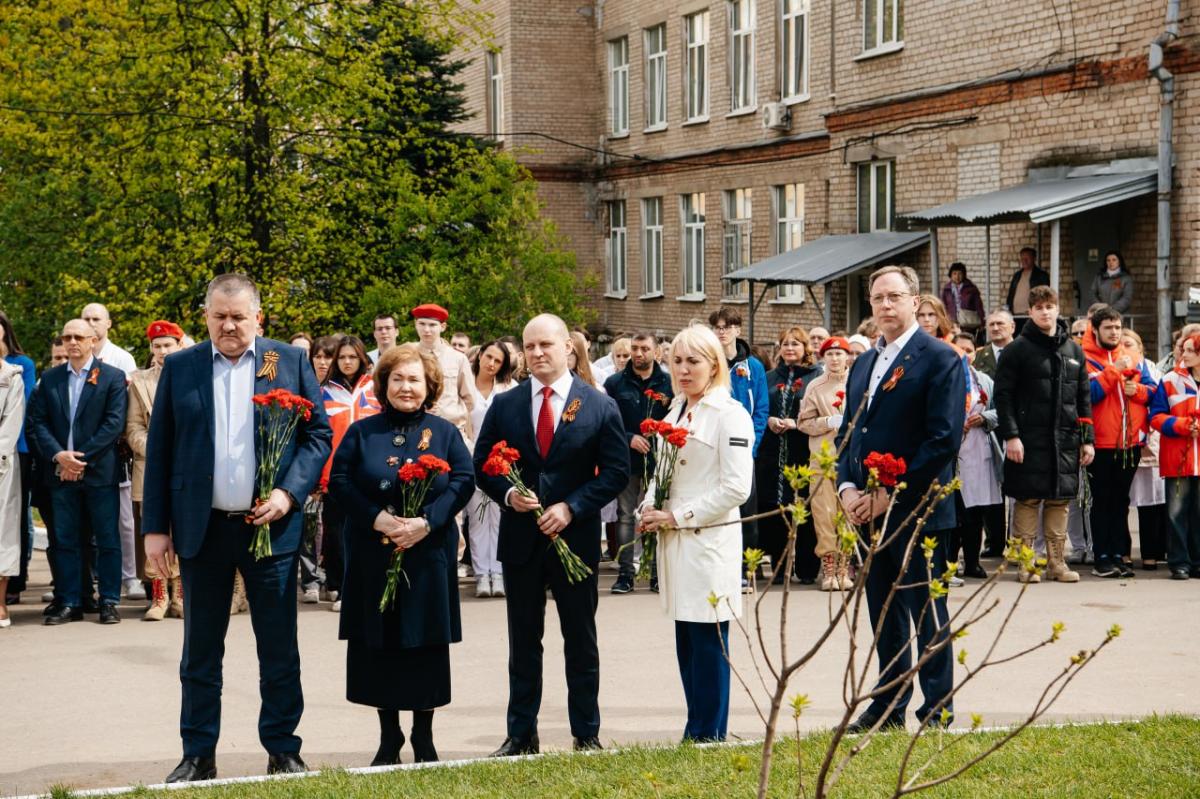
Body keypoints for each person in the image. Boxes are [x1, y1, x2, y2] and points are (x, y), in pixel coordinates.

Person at [141, 274, 331, 782]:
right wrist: (155, 526)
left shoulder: (286, 362)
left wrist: (288, 492)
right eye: (219, 316)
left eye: (238, 317)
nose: (228, 326)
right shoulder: (181, 366)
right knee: (200, 651)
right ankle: (198, 754)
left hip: (270, 528)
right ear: (205, 317)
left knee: (278, 647)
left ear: (257, 318)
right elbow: (160, 448)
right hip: (202, 529)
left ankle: (283, 749)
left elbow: (317, 434)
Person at [472, 314, 629, 757]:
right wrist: (508, 495)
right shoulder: (506, 404)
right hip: (521, 541)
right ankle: (521, 734)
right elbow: (482, 463)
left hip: (574, 539)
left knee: (580, 640)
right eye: (530, 346)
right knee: (523, 642)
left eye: (546, 344)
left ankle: (586, 732)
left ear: (568, 348)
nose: (537, 353)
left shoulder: (597, 405)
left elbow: (616, 471)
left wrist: (572, 506)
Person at [330, 343, 474, 765]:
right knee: (381, 644)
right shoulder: (362, 432)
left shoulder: (444, 432)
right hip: (374, 554)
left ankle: (423, 736)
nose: (406, 387)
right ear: (384, 384)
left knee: (423, 644)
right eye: (398, 379)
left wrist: (427, 522)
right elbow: (340, 481)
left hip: (427, 555)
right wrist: (377, 519)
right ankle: (389, 737)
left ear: (429, 386)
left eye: (414, 380)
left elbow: (463, 480)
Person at [836, 265, 965, 733]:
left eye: (894, 296)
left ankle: (936, 710)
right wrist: (848, 488)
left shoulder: (940, 358)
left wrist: (890, 493)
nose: (885, 305)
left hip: (918, 510)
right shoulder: (864, 363)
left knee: (926, 613)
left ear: (914, 300)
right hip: (867, 514)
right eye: (878, 298)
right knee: (884, 614)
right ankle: (888, 706)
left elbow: (943, 439)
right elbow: (850, 433)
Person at [636, 325, 753, 741]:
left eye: (693, 362)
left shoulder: (729, 414)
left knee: (708, 643)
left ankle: (708, 735)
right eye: (677, 362)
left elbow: (736, 488)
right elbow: (663, 472)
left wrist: (677, 516)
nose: (683, 370)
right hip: (675, 541)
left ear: (715, 365)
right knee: (686, 640)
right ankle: (696, 728)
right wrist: (648, 505)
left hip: (707, 541)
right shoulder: (675, 411)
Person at [26, 319, 128, 625]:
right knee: (65, 539)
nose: (72, 342)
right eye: (67, 337)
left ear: (93, 341)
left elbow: (113, 424)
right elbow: (38, 423)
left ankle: (108, 600)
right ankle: (70, 601)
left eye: (78, 337)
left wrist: (79, 460)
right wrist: (59, 457)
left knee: (107, 539)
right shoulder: (51, 378)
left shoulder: (112, 377)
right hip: (60, 473)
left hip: (98, 472)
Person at [994, 286, 1095, 584]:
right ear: (1030, 311)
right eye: (1038, 307)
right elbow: (1003, 397)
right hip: (1027, 440)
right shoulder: (1016, 350)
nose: (1045, 312)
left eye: (1049, 306)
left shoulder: (1074, 351)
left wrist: (1087, 439)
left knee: (1059, 501)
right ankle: (1026, 563)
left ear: (1058, 309)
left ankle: (1056, 563)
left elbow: (1083, 399)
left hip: (1065, 441)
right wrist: (1011, 436)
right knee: (1027, 500)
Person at [1081, 305, 1154, 578]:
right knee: (1102, 501)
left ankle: (1118, 555)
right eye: (1108, 328)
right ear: (1095, 330)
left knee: (1121, 501)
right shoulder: (1084, 358)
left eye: (1118, 327)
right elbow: (1089, 394)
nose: (1114, 333)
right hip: (1100, 443)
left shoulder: (1134, 357)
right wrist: (1114, 371)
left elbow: (1154, 393)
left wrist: (1140, 391)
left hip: (1129, 443)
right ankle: (1101, 556)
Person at [603, 332, 673, 594]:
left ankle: (655, 572)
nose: (638, 353)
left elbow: (677, 417)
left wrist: (661, 432)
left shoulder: (669, 382)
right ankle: (625, 574)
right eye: (635, 348)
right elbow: (607, 422)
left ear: (656, 352)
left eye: (644, 348)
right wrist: (629, 437)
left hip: (659, 460)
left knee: (655, 514)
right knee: (625, 515)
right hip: (627, 458)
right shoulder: (614, 383)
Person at [127, 320, 185, 621]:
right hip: (150, 466)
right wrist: (158, 449)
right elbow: (133, 427)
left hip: (186, 466)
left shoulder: (194, 376)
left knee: (184, 529)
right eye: (157, 346)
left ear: (179, 345)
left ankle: (181, 595)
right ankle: (159, 596)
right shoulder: (139, 381)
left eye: (168, 345)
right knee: (153, 527)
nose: (163, 351)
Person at [316, 336, 379, 606]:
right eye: (342, 357)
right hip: (335, 474)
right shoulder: (324, 392)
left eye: (353, 357)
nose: (347, 362)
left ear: (362, 358)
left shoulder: (376, 389)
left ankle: (367, 586)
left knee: (369, 530)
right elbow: (318, 437)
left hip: (369, 472)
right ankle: (341, 588)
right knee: (336, 533)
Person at [708, 308, 768, 588]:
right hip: (713, 446)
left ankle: (747, 568)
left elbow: (761, 409)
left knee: (747, 512)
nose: (722, 331)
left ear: (738, 330)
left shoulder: (753, 366)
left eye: (727, 326)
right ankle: (718, 568)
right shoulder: (708, 362)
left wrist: (751, 445)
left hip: (743, 449)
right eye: (717, 327)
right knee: (716, 507)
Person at [757, 327, 821, 585]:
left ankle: (807, 567)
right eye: (785, 344)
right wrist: (770, 420)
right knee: (776, 508)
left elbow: (821, 411)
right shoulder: (770, 377)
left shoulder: (816, 377)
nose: (790, 348)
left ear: (805, 348)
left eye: (795, 343)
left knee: (805, 508)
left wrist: (797, 423)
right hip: (773, 452)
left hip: (803, 449)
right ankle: (780, 566)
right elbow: (760, 407)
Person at [798, 336, 853, 590]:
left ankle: (844, 566)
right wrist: (826, 422)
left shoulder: (857, 382)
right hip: (823, 459)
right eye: (829, 354)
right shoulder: (815, 386)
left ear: (847, 356)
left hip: (850, 459)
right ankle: (829, 567)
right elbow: (803, 422)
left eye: (839, 353)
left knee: (849, 512)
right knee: (824, 514)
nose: (834, 358)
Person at [464, 340, 517, 597]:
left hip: (499, 462)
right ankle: (481, 575)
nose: (492, 364)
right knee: (477, 519)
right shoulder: (465, 385)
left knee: (498, 519)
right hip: (469, 457)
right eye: (489, 357)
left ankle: (498, 572)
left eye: (498, 361)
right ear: (480, 355)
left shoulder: (509, 388)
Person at [948, 333, 1002, 581]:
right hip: (955, 452)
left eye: (968, 350)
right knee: (956, 511)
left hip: (979, 449)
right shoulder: (945, 378)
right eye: (959, 350)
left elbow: (1001, 409)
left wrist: (985, 418)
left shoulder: (983, 380)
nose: (964, 355)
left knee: (977, 511)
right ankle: (949, 562)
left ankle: (972, 561)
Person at [1149, 333, 1200, 579]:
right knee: (1176, 514)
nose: (1183, 354)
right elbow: (1155, 416)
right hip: (1178, 459)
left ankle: (1197, 562)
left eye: (1190, 350)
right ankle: (1179, 562)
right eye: (1184, 349)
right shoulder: (1170, 380)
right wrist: (1181, 425)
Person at [0, 311, 36, 606]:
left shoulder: (19, 366)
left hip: (14, 450)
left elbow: (24, 407)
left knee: (14, 520)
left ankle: (14, 582)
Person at [1123, 330, 1166, 570]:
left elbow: (1158, 402)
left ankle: (1151, 553)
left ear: (1140, 348)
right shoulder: (1112, 368)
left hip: (1148, 445)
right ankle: (1123, 553)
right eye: (1121, 344)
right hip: (1121, 443)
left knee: (1149, 502)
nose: (1124, 348)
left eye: (1129, 344)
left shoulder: (1152, 371)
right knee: (1120, 502)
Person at [411, 305, 473, 440]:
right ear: (416, 325)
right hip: (414, 428)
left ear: (443, 327)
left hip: (450, 430)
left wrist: (451, 414)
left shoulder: (458, 359)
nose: (426, 330)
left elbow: (469, 398)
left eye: (432, 325)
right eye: (422, 324)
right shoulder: (407, 355)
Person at [0, 356, 25, 627]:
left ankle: (0, 603)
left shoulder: (10, 377)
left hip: (1, 466)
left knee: (2, 533)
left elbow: (11, 425)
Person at [1005, 247, 1050, 325]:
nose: (1024, 261)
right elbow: (1010, 294)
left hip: (1030, 315)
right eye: (1022, 259)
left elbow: (1044, 296)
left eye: (1027, 258)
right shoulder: (1017, 275)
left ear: (1034, 258)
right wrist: (1008, 309)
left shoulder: (1041, 275)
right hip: (1015, 315)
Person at [940, 263, 986, 333]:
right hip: (952, 324)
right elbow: (942, 307)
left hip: (968, 324)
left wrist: (982, 322)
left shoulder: (971, 289)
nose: (957, 276)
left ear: (964, 275)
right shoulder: (947, 290)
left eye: (960, 274)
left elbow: (979, 306)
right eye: (954, 274)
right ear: (950, 275)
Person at [972, 310, 1013, 382]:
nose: (995, 328)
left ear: (1012, 327)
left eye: (1000, 323)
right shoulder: (977, 356)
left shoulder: (1024, 352)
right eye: (991, 324)